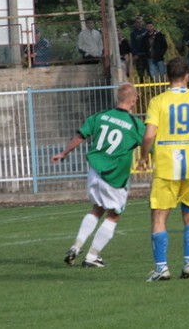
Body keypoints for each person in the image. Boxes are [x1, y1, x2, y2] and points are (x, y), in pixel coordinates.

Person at [136, 57, 189, 281]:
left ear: (167, 76)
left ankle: (162, 268)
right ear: (186, 77)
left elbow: (148, 135)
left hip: (166, 165)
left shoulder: (158, 101)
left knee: (159, 215)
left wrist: (144, 157)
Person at [54, 83, 144, 268]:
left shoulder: (100, 116)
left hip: (94, 172)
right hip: (114, 176)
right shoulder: (135, 125)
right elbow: (148, 140)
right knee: (113, 215)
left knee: (97, 209)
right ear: (134, 100)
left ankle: (76, 246)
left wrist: (64, 153)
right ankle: (92, 257)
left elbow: (81, 135)